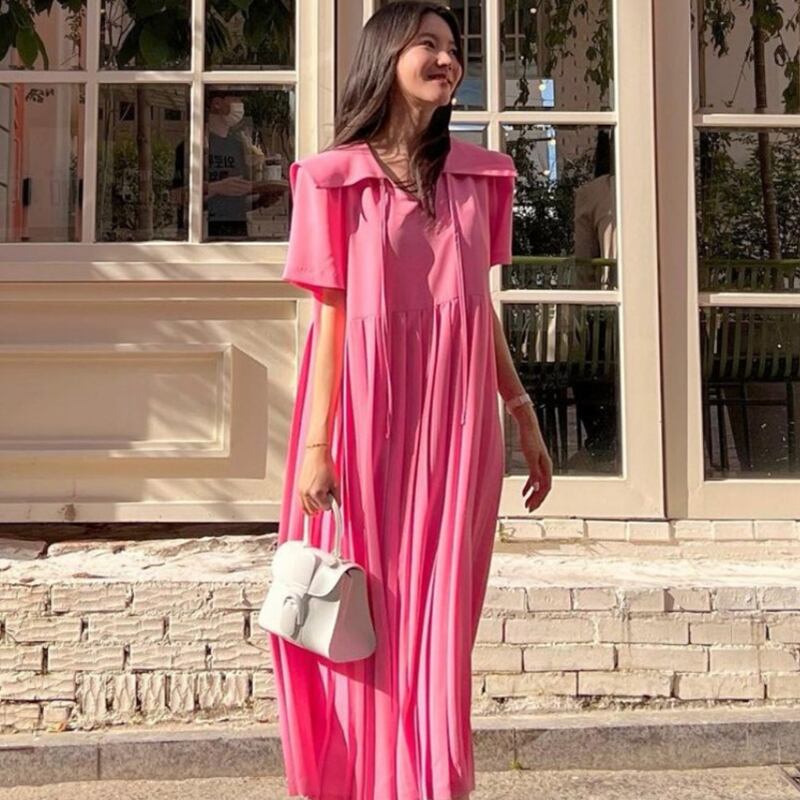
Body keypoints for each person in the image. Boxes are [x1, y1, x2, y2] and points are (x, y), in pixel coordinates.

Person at [269, 3, 553, 799]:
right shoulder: (332, 178)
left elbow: (476, 307)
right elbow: (330, 318)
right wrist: (318, 445)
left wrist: (522, 411)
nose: (446, 58)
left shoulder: (481, 176)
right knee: (365, 608)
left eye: (454, 47)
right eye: (427, 43)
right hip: (365, 414)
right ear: (385, 56)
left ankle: (430, 781)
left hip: (457, 421)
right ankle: (366, 780)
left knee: (440, 619)